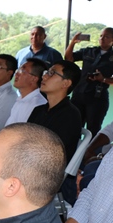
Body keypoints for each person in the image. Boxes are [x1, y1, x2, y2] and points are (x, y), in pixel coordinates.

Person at [28, 60, 82, 205]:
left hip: (46, 174)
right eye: (46, 72)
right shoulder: (38, 110)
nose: (44, 76)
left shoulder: (71, 115)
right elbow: (24, 138)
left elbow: (52, 153)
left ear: (66, 83)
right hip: (29, 165)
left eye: (51, 73)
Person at [66, 28, 113, 138]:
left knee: (92, 131)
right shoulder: (89, 51)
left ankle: (88, 150)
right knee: (72, 127)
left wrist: (103, 79)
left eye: (106, 36)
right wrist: (73, 42)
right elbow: (68, 58)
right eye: (101, 36)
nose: (102, 38)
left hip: (97, 99)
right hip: (79, 95)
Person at [79, 108, 113, 189]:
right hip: (112, 152)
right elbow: (111, 130)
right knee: (81, 157)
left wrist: (101, 158)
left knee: (89, 172)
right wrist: (89, 149)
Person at [4, 57, 48, 125]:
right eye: (18, 70)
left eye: (22, 71)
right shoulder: (20, 99)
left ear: (34, 79)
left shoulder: (37, 104)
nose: (16, 74)